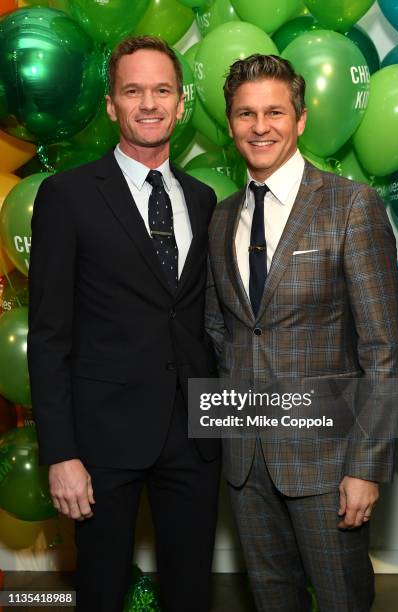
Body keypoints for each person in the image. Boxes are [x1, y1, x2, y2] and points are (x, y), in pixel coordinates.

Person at [28, 35, 220, 612]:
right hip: (101, 440)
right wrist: (61, 455)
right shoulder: (67, 197)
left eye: (162, 90)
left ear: (181, 102)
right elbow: (50, 335)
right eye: (132, 91)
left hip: (194, 434)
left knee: (191, 592)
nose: (149, 103)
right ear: (112, 105)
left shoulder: (204, 198)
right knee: (101, 591)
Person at [205, 54, 398, 612]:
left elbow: (383, 350)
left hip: (327, 461)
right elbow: (222, 332)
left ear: (301, 118)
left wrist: (365, 467)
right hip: (245, 458)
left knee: (342, 599)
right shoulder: (222, 218)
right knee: (271, 599)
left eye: (274, 111)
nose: (260, 126)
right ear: (230, 123)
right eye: (246, 113)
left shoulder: (350, 206)